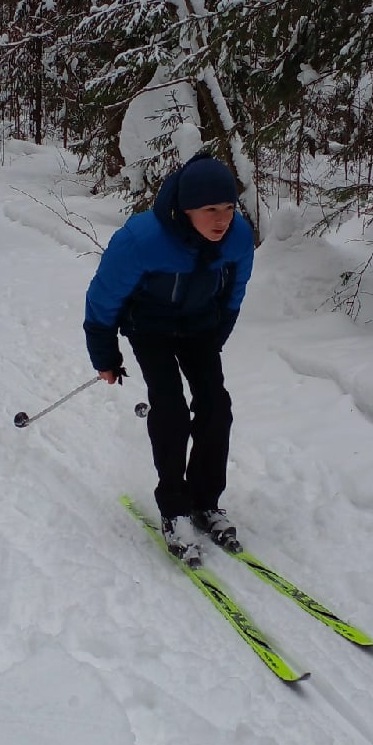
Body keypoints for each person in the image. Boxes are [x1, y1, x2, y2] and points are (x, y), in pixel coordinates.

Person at [84, 152, 255, 563]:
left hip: (200, 327)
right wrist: (105, 354)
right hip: (151, 328)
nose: (222, 219)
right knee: (171, 407)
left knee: (216, 406)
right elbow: (103, 299)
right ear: (185, 209)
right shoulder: (143, 239)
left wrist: (216, 337)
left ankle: (205, 500)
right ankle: (174, 507)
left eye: (229, 208)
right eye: (210, 209)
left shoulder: (237, 238)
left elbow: (234, 292)